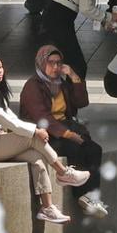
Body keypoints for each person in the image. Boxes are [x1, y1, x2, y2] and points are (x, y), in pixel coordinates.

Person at [0, 54, 92, 225]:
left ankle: (47, 208)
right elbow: (7, 121)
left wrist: (29, 130)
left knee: (37, 158)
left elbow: (11, 119)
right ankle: (63, 173)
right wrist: (35, 131)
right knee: (34, 139)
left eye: (0, 66)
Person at [19, 45, 108, 218]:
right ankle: (82, 195)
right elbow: (42, 117)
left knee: (94, 149)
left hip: (64, 128)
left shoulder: (61, 83)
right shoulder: (33, 86)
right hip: (42, 133)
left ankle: (91, 195)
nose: (55, 67)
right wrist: (70, 135)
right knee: (74, 149)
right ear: (41, 63)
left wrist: (73, 76)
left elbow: (82, 102)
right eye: (50, 63)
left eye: (58, 63)